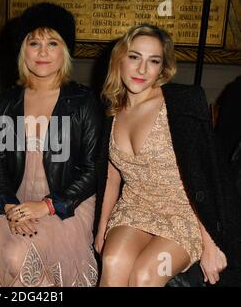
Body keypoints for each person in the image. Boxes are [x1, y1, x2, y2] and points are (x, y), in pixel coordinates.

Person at [94, 24, 241, 286]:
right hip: (135, 208)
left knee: (145, 275)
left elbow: (205, 175)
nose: (142, 69)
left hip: (184, 215)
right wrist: (102, 228)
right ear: (119, 59)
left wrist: (211, 244)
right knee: (113, 261)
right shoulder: (112, 107)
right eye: (134, 57)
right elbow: (112, 177)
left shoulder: (182, 104)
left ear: (162, 68)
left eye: (153, 61)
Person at [0, 2, 102, 287]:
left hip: (68, 202)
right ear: (23, 51)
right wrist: (10, 207)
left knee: (20, 255)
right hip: (15, 199)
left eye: (53, 43)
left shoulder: (82, 101)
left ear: (64, 51)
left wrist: (47, 206)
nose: (43, 52)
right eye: (34, 43)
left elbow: (93, 169)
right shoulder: (8, 100)